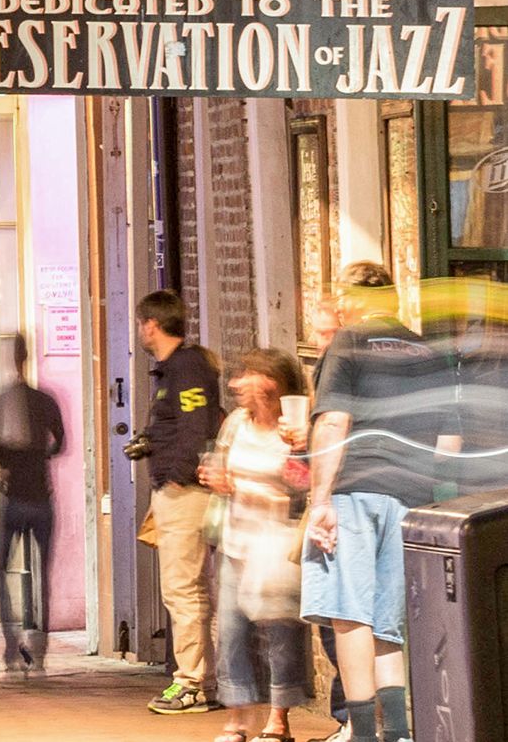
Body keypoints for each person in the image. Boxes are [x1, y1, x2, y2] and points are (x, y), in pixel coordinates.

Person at [303, 263, 438, 742]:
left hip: (355, 490)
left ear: (356, 298)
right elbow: (451, 435)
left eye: (343, 296)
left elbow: (334, 421)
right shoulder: (425, 348)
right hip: (410, 498)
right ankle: (397, 733)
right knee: (388, 624)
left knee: (350, 615)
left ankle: (361, 732)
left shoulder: (350, 341)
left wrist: (320, 500)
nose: (339, 305)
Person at [205, 347, 312, 742]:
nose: (237, 384)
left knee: (280, 636)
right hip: (236, 541)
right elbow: (221, 464)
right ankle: (236, 718)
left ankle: (278, 720)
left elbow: (305, 487)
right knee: (231, 633)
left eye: (248, 375)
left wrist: (297, 453)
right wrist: (220, 482)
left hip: (275, 546)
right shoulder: (235, 423)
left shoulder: (294, 429)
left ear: (270, 383)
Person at [132, 289, 224, 715]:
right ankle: (198, 679)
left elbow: (196, 425)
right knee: (188, 587)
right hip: (177, 489)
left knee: (182, 589)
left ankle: (190, 683)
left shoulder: (186, 368)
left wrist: (177, 477)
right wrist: (149, 442)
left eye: (140, 324)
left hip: (183, 494)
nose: (140, 332)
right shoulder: (175, 371)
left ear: (151, 324)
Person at [0, 332, 65, 674]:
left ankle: (11, 640)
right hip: (39, 493)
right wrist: (37, 455)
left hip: (13, 494)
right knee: (43, 571)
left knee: (1, 568)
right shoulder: (43, 399)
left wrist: (10, 460)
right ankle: (38, 642)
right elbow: (61, 441)